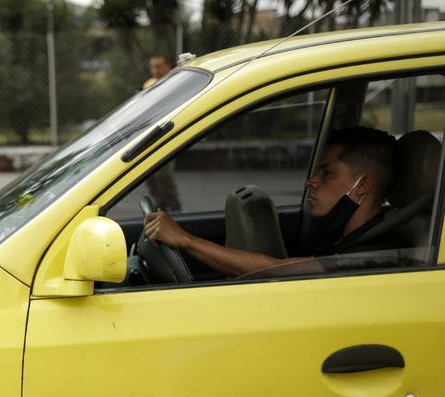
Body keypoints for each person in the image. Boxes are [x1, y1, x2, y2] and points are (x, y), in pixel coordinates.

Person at [143, 126, 402, 277]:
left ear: (363, 186)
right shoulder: (346, 236)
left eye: (327, 173)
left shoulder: (377, 253)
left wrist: (185, 240)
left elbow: (276, 270)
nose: (310, 182)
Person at [143, 53, 183, 211]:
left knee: (163, 175)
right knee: (149, 177)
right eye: (153, 67)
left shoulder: (176, 83)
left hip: (165, 135)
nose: (156, 70)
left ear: (168, 66)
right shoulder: (149, 84)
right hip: (149, 135)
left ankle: (175, 210)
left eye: (159, 66)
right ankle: (160, 209)